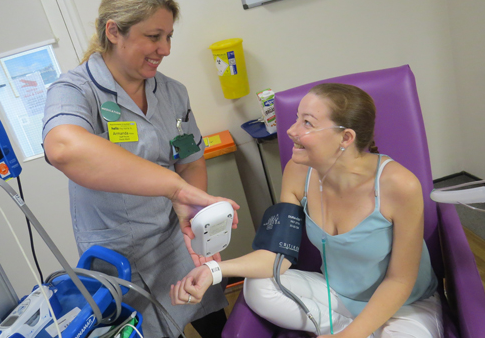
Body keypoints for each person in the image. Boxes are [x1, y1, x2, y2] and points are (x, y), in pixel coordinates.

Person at [42, 0, 239, 338]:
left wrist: (195, 215)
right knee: (152, 330)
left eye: (168, 37)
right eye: (153, 37)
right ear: (114, 31)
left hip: (176, 237)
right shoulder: (74, 90)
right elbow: (64, 148)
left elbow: (191, 157)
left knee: (210, 317)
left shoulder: (172, 92)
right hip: (120, 251)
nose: (164, 49)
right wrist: (175, 189)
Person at [170, 83, 443, 337]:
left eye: (307, 123)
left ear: (345, 137)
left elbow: (399, 281)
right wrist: (214, 270)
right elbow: (278, 257)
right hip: (336, 296)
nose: (291, 130)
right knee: (258, 286)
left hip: (404, 305)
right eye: (297, 118)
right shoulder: (298, 172)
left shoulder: (398, 185)